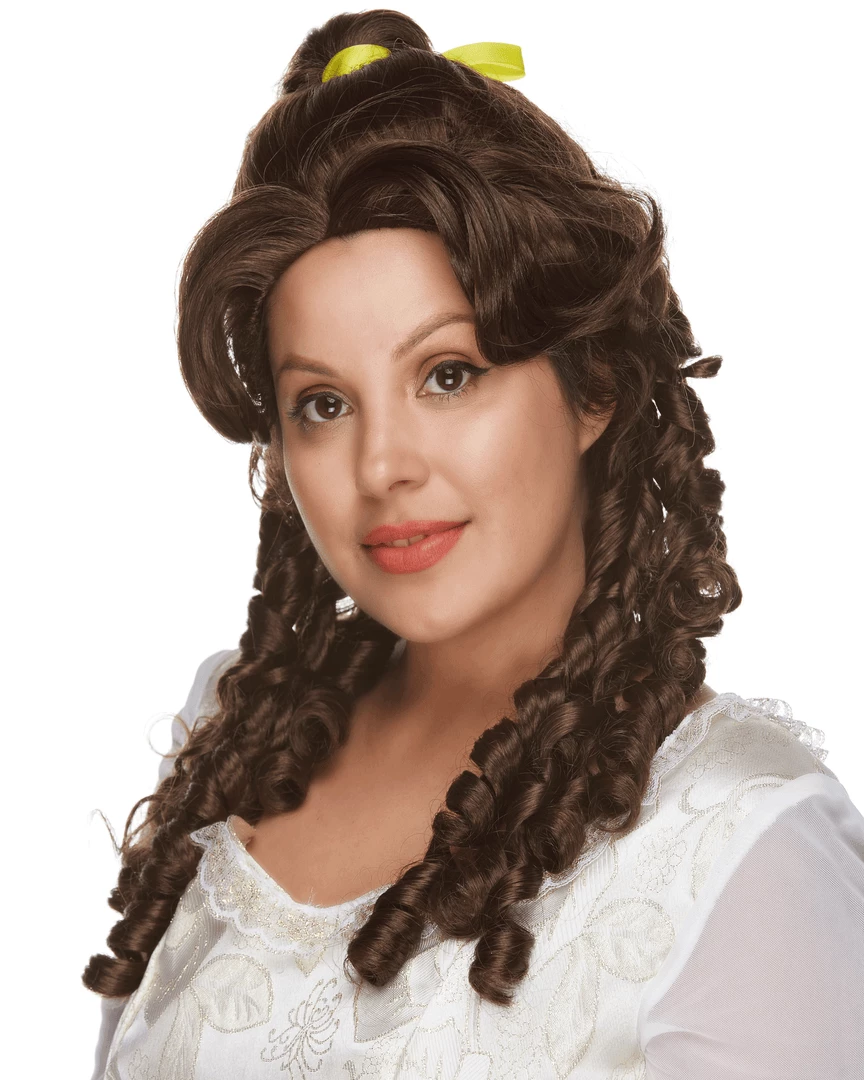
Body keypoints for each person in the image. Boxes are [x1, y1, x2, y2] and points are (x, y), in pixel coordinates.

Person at [83, 10, 864, 1078]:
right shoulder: (237, 739)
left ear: (593, 384)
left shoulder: (742, 845)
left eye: (447, 376)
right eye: (322, 404)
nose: (381, 466)